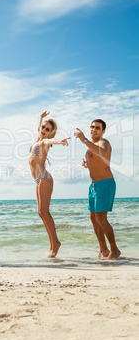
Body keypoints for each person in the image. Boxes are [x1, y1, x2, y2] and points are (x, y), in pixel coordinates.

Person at [74, 119, 121, 259]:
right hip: (94, 185)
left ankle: (115, 250)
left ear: (103, 131)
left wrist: (84, 140)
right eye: (92, 127)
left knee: (101, 218)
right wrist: (87, 165)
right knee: (93, 218)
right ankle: (103, 249)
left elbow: (103, 153)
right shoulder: (92, 145)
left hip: (105, 184)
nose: (94, 129)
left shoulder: (103, 142)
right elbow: (98, 162)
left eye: (97, 128)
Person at [29, 111, 70, 257]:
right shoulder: (36, 141)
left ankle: (56, 243)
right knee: (41, 213)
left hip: (44, 178)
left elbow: (50, 141)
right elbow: (38, 128)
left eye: (47, 129)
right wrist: (40, 118)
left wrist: (60, 141)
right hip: (38, 180)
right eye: (43, 127)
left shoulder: (44, 142)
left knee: (44, 212)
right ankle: (53, 244)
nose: (44, 130)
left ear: (50, 133)